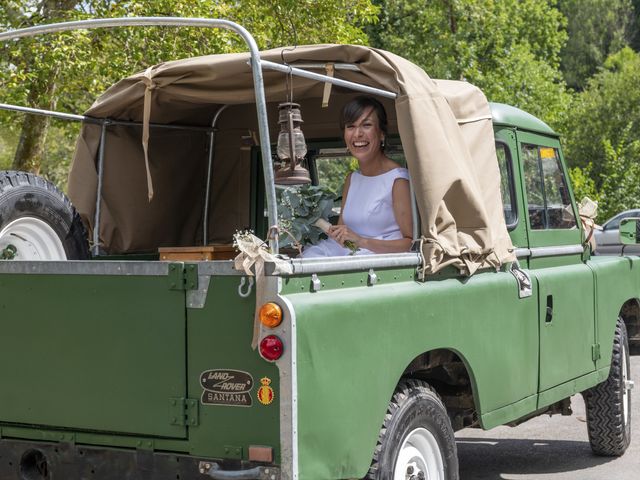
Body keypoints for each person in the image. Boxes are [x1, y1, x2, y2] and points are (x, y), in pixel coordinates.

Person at [303, 96, 412, 257]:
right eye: (351, 126)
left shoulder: (398, 180)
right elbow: (342, 236)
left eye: (366, 125)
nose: (358, 134)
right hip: (346, 255)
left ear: (382, 133)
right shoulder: (352, 179)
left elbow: (410, 243)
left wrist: (362, 241)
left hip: (378, 266)